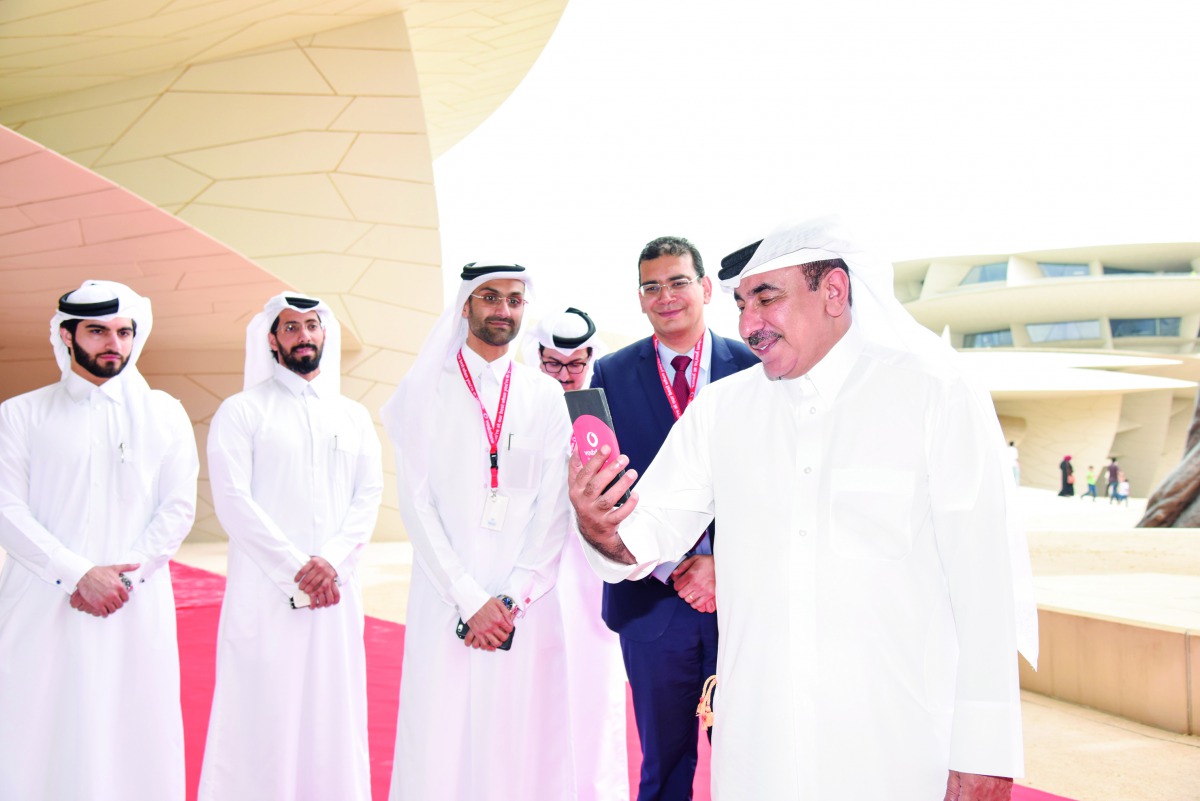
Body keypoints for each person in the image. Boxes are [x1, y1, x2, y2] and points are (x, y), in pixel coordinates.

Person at [568, 217, 1038, 800]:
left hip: (896, 750)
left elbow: (986, 589)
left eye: (767, 299)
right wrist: (597, 520)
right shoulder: (723, 410)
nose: (748, 325)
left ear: (834, 292)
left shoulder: (934, 393)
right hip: (760, 756)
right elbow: (640, 540)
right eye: (741, 304)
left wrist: (984, 754)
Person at [382, 262, 575, 801]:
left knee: (520, 742)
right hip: (446, 598)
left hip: (524, 606)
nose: (502, 310)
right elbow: (415, 505)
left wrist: (510, 598)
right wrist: (470, 599)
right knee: (440, 742)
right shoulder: (426, 389)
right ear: (465, 305)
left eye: (514, 299)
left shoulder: (543, 395)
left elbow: (553, 507)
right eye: (490, 297)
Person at [0, 281, 198, 801]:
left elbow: (177, 508)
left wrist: (120, 579)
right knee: (38, 731)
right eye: (97, 331)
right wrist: (79, 574)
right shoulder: (19, 415)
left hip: (133, 604)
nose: (114, 342)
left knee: (134, 730)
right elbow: (7, 509)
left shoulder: (165, 413)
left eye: (123, 331)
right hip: (43, 604)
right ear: (67, 335)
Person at [590, 236, 757, 801]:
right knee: (664, 766)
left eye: (679, 281)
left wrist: (722, 566)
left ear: (706, 288)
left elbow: (772, 487)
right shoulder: (608, 374)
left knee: (750, 759)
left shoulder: (756, 366)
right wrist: (673, 567)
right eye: (651, 286)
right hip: (654, 603)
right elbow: (604, 489)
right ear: (639, 300)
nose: (666, 296)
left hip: (744, 601)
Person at [198, 293, 383, 800]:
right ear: (272, 340)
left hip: (335, 596)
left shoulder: (352, 416)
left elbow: (368, 497)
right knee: (263, 712)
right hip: (265, 595)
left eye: (312, 326)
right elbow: (234, 502)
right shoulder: (241, 411)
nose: (304, 336)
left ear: (325, 335)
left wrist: (332, 564)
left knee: (332, 713)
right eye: (291, 327)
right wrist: (298, 569)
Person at [527, 306, 630, 801]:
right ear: (539, 359)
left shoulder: (611, 409)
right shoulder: (522, 408)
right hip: (533, 575)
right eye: (554, 364)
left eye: (576, 364)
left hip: (592, 574)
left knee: (595, 694)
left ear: (592, 357)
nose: (566, 376)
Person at [524, 305, 609, 391]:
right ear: (539, 356)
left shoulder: (603, 401)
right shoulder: (521, 396)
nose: (564, 377)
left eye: (575, 365)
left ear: (590, 358)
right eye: (554, 364)